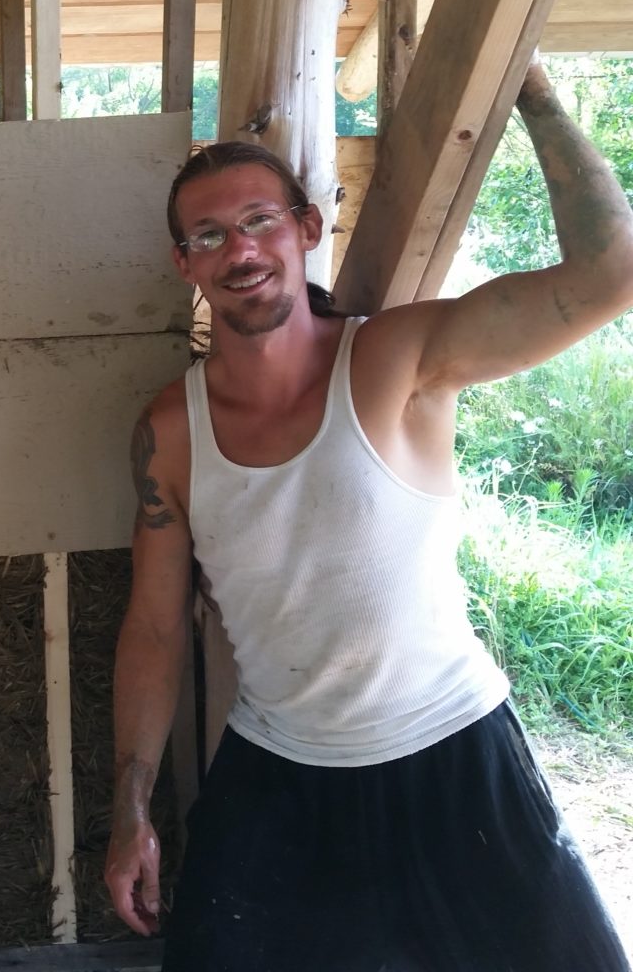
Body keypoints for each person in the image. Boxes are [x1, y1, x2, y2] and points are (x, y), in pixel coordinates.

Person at [104, 62, 633, 971]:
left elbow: (611, 275)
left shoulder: (396, 361)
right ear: (184, 263)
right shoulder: (169, 432)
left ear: (308, 229)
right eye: (209, 234)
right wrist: (131, 805)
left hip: (452, 749)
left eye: (262, 220)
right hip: (280, 772)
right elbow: (153, 628)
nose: (241, 250)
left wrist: (533, 92)